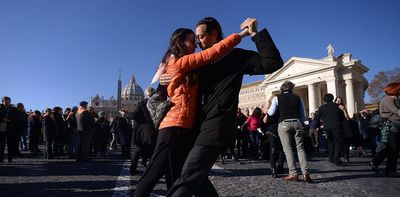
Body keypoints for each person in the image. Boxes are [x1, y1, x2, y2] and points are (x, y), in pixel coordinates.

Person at [164, 17, 283, 197]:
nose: (199, 42)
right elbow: (179, 79)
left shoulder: (235, 57)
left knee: (188, 177)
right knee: (198, 180)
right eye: (196, 39)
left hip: (216, 125)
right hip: (193, 127)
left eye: (202, 36)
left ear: (215, 34)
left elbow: (272, 63)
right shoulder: (198, 62)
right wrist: (167, 78)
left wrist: (256, 34)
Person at [134, 22, 249, 197]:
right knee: (154, 171)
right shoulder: (179, 62)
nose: (195, 44)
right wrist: (241, 35)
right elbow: (211, 53)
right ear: (180, 42)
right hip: (174, 125)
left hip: (185, 126)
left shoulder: (187, 66)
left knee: (180, 173)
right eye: (191, 41)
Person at [266, 81, 311, 182]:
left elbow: (271, 112)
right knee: (300, 148)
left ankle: (293, 173)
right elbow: (303, 115)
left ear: (282, 89)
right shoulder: (298, 98)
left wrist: (268, 110)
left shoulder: (277, 98)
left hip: (284, 123)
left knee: (288, 149)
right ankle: (306, 173)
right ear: (291, 89)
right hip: (297, 123)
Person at [371, 82, 400, 177]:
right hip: (391, 126)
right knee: (393, 149)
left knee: (390, 148)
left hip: (394, 125)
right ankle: (390, 170)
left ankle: (375, 162)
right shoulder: (388, 99)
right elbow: (396, 111)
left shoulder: (393, 99)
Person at [127, 86, 157, 175]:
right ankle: (152, 170)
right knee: (152, 150)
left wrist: (126, 114)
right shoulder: (157, 102)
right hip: (153, 130)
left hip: (141, 131)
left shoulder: (142, 102)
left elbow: (135, 115)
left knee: (137, 150)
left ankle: (133, 168)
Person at [315, 93, 346, 166]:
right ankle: (336, 158)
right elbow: (343, 118)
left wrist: (318, 126)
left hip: (327, 127)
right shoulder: (337, 107)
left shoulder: (321, 108)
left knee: (330, 142)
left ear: (324, 100)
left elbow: (316, 118)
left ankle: (331, 157)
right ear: (332, 99)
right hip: (336, 126)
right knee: (337, 142)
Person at [263, 94, 285, 178]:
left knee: (277, 149)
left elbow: (265, 120)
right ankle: (277, 168)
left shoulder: (273, 107)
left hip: (275, 129)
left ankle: (276, 168)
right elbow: (265, 119)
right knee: (278, 149)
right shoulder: (275, 106)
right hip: (276, 128)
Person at [0, 96, 21, 162]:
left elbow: (18, 118)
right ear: (2, 101)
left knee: (10, 144)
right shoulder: (0, 108)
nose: (7, 102)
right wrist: (2, 119)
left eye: (8, 101)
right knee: (1, 144)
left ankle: (10, 158)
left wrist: (10, 120)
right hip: (1, 128)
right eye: (5, 101)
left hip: (11, 129)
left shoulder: (14, 109)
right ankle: (1, 158)